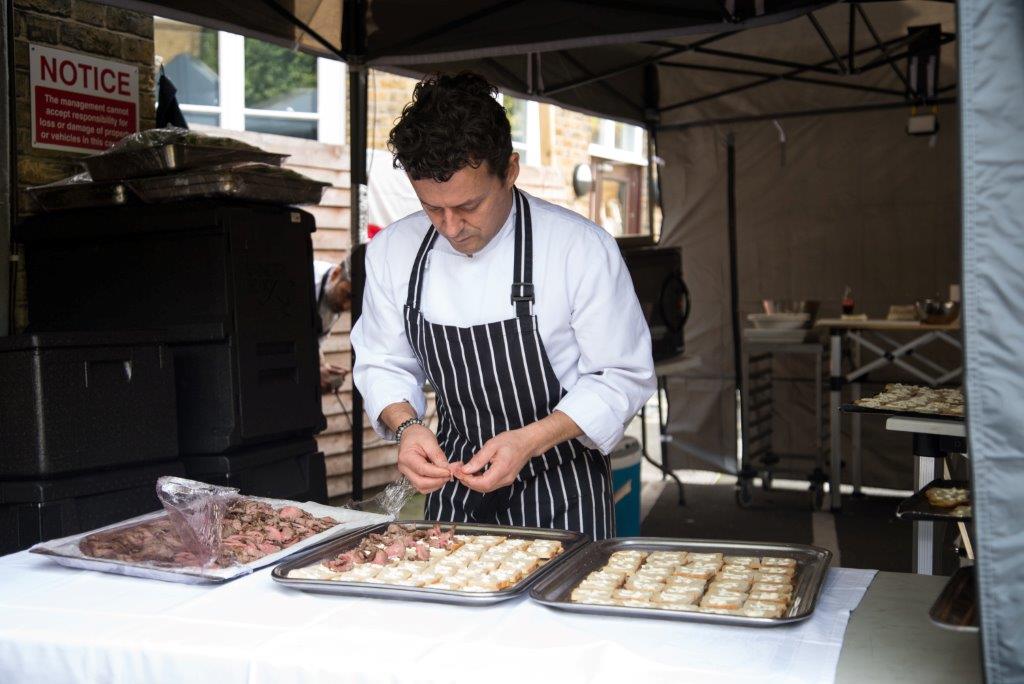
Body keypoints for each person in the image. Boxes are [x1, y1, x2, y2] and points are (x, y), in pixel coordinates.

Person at [351, 73, 655, 540]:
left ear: (510, 170)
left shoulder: (579, 248)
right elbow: (381, 360)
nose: (451, 227)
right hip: (454, 490)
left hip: (565, 491)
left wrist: (529, 440)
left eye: (469, 205)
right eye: (433, 208)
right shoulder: (394, 251)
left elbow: (621, 377)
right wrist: (408, 426)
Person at [314, 257, 352, 393]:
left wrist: (322, 366)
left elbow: (315, 340)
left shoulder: (333, 299)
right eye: (347, 295)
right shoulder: (310, 281)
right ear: (336, 273)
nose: (345, 306)